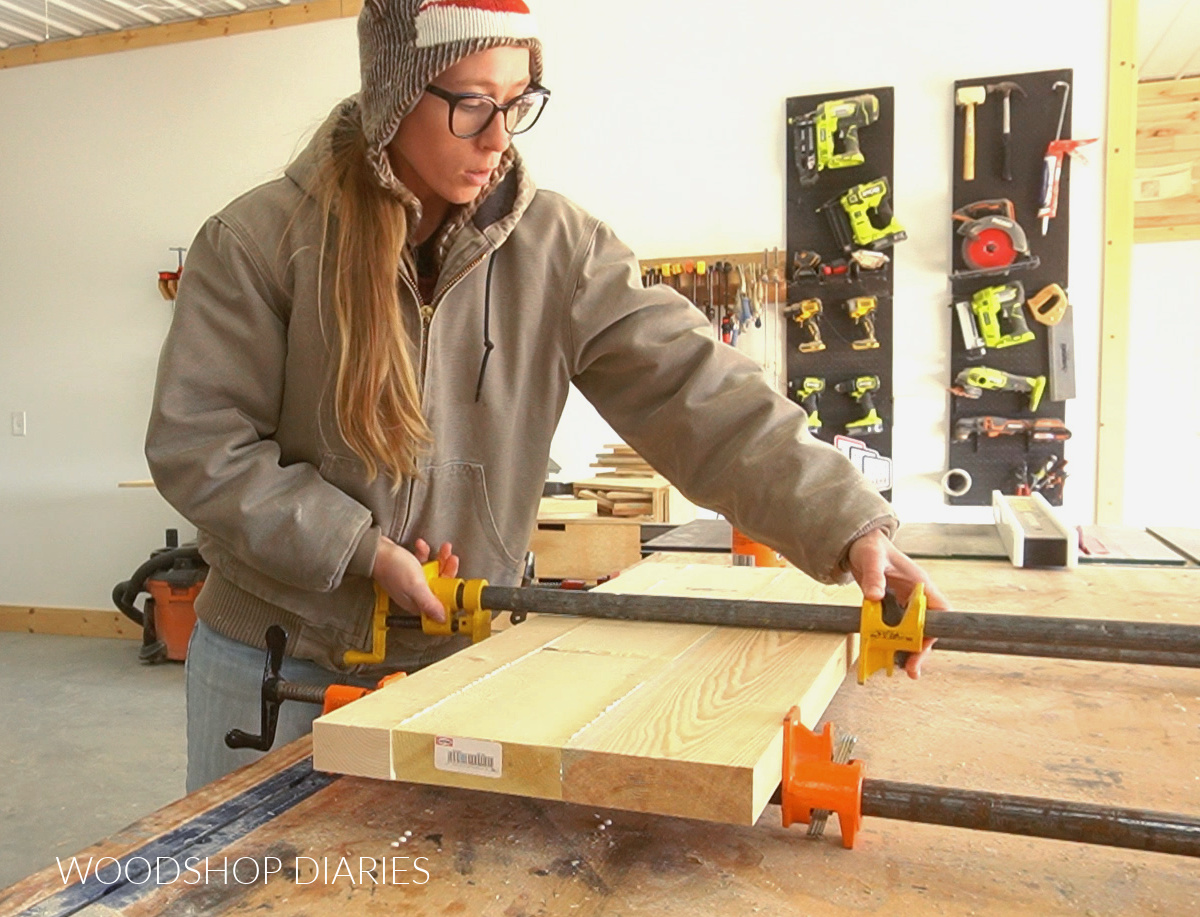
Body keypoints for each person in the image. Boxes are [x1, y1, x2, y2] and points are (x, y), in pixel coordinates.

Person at [146, 0, 948, 793]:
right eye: (470, 105)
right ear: (394, 92)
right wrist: (364, 549)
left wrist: (844, 524)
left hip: (458, 657)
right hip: (271, 660)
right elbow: (202, 446)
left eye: (517, 102)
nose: (498, 138)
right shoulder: (258, 241)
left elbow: (694, 388)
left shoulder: (560, 250)